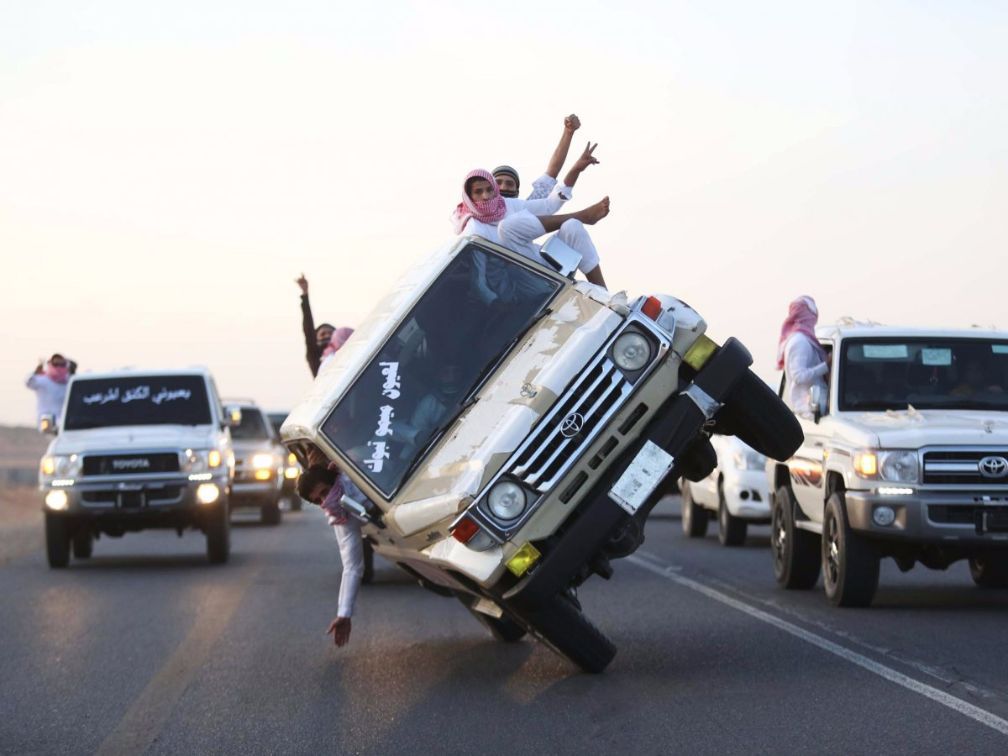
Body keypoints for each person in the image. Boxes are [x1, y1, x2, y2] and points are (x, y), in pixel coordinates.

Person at [452, 169, 610, 287]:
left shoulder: (506, 204)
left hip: (547, 265)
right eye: (478, 192)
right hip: (523, 281)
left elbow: (549, 205)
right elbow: (479, 277)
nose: (485, 196)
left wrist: (576, 169)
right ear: (469, 197)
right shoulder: (473, 230)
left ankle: (605, 296)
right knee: (506, 227)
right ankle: (583, 215)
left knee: (572, 226)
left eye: (489, 190)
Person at [298, 463, 369, 648]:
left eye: (324, 492)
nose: (325, 501)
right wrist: (344, 613)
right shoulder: (342, 514)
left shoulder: (353, 468)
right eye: (318, 501)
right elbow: (352, 567)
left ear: (333, 478)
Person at [493, 113, 583, 200]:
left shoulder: (527, 211)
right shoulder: (478, 213)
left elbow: (551, 174)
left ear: (517, 191)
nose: (503, 188)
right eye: (498, 183)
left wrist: (568, 132)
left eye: (509, 184)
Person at [777, 296, 830, 419]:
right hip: (807, 410)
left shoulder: (802, 339)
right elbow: (799, 376)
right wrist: (826, 366)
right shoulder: (800, 342)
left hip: (811, 409)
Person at [296, 274, 340, 378]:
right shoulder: (314, 355)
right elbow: (308, 330)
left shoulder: (344, 352)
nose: (326, 336)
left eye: (330, 333)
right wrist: (305, 295)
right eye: (322, 334)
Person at [26, 354, 72, 427]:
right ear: (51, 364)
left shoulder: (69, 381)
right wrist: (36, 372)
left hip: (66, 422)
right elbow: (28, 383)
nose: (59, 367)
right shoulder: (43, 380)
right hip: (46, 422)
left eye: (62, 364)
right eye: (56, 364)